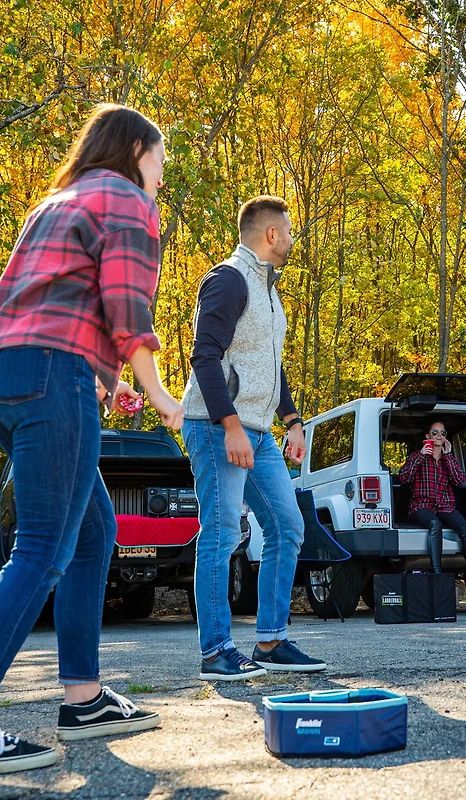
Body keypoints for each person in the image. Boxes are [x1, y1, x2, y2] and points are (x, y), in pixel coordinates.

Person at [0, 103, 183, 776]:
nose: (162, 177)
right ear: (137, 149)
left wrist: (106, 381)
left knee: (92, 532)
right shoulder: (128, 200)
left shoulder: (60, 199)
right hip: (53, 375)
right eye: (162, 160)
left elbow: (53, 303)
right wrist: (161, 391)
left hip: (1, 375)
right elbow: (127, 306)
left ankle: (83, 697)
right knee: (44, 550)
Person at [181, 195, 325, 681]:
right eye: (287, 231)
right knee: (222, 535)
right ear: (270, 234)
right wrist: (231, 425)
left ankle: (270, 640)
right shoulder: (228, 280)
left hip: (260, 434)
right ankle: (216, 652)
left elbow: (268, 364)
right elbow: (203, 358)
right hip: (215, 428)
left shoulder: (268, 289)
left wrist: (293, 420)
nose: (291, 239)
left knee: (288, 527)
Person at [397, 421, 466, 596]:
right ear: (427, 436)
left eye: (443, 433)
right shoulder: (417, 456)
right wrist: (421, 455)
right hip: (421, 506)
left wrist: (449, 456)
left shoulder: (448, 459)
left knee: (464, 528)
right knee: (434, 524)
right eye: (435, 432)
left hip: (444, 506)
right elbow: (404, 478)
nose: (439, 436)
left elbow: (459, 481)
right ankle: (437, 577)